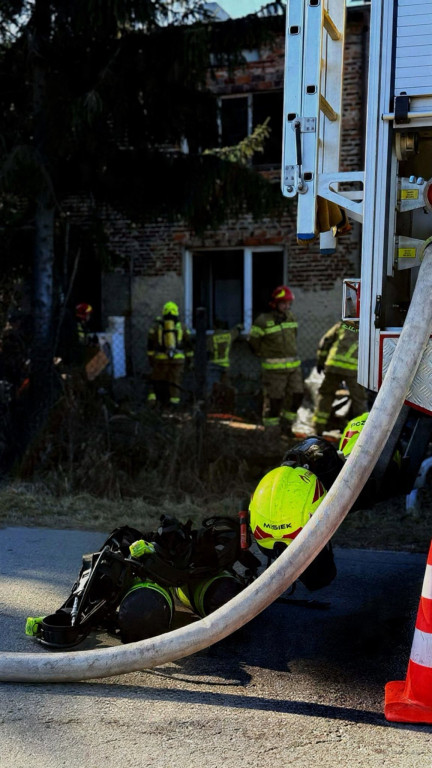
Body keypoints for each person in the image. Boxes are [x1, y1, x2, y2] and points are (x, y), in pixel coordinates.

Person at [248, 285, 304, 432]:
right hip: (273, 371)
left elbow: (294, 336)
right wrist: (264, 353)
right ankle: (271, 432)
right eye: (284, 303)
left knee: (297, 395)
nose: (287, 306)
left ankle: (287, 426)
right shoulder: (262, 321)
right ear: (275, 303)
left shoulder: (291, 317)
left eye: (289, 303)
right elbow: (253, 343)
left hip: (294, 368)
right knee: (274, 401)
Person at [312, 320, 368, 437]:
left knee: (326, 395)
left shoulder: (342, 325)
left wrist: (321, 361)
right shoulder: (369, 327)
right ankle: (361, 432)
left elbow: (325, 342)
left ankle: (318, 429)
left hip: (334, 366)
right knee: (359, 399)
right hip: (354, 369)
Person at [147, 301, 194, 410]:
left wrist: (151, 359)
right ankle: (174, 404)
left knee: (158, 381)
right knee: (175, 382)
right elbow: (189, 345)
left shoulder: (156, 327)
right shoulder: (182, 327)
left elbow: (150, 346)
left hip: (160, 360)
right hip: (178, 360)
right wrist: (190, 360)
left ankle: (156, 405)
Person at [206, 320, 241, 411]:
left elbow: (209, 350)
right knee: (227, 387)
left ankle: (211, 407)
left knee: (212, 388)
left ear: (214, 327)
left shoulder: (212, 338)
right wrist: (239, 326)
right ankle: (229, 408)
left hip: (214, 365)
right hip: (225, 366)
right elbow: (237, 331)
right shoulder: (229, 335)